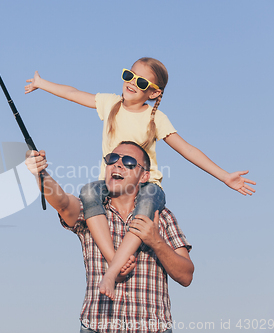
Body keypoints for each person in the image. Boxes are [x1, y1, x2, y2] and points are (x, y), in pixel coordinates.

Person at [24, 57, 255, 297]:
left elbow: (187, 149)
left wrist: (225, 176)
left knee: (145, 210)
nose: (132, 83)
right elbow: (73, 93)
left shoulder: (156, 118)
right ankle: (115, 261)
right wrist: (42, 83)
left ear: (154, 93)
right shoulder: (111, 103)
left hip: (148, 186)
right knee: (89, 191)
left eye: (141, 81)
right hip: (110, 184)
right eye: (129, 75)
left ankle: (112, 272)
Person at [25, 141, 194, 333]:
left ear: (144, 176)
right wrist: (41, 174)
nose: (118, 164)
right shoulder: (89, 211)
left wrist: (156, 242)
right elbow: (63, 203)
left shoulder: (161, 216)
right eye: (112, 159)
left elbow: (186, 276)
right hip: (98, 327)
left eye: (129, 162)